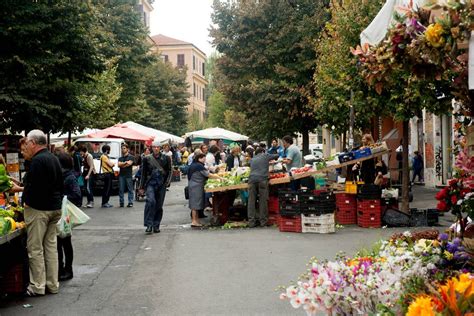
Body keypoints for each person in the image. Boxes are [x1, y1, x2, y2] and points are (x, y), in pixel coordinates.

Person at [22, 130, 63, 296]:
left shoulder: (37, 161)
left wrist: (24, 198)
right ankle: (52, 284)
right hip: (55, 207)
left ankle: (37, 286)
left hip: (39, 209)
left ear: (33, 143)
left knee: (35, 249)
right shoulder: (53, 158)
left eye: (27, 144)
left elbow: (34, 187)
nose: (26, 147)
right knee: (50, 247)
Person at [56, 153, 81, 281]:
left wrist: (62, 198)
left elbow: (77, 195)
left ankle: (67, 269)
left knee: (64, 242)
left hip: (64, 213)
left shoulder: (69, 177)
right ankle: (61, 268)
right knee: (61, 242)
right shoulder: (64, 175)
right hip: (61, 212)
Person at [139, 140, 172, 234]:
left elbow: (170, 170)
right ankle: (149, 224)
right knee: (150, 201)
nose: (156, 149)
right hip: (150, 183)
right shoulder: (146, 158)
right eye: (154, 147)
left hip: (161, 183)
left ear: (160, 148)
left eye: (158, 147)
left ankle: (156, 225)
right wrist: (141, 187)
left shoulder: (166, 158)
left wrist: (167, 182)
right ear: (152, 148)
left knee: (159, 205)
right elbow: (143, 173)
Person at [187, 153, 223, 227]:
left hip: (194, 186)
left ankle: (196, 220)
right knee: (195, 205)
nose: (205, 160)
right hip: (196, 187)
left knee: (196, 204)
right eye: (204, 158)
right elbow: (208, 174)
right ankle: (194, 221)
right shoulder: (198, 166)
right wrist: (219, 177)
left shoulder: (195, 164)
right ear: (199, 158)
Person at [248, 148, 279, 228]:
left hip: (251, 180)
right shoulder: (265, 155)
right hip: (262, 179)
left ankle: (251, 222)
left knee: (251, 200)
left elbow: (249, 164)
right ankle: (263, 222)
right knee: (263, 200)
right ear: (262, 152)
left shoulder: (252, 159)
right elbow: (277, 155)